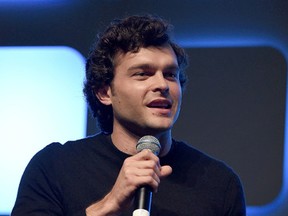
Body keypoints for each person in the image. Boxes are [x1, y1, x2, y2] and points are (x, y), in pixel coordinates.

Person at [12, 14, 246, 216]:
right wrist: (108, 205)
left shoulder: (219, 182)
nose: (162, 85)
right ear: (105, 92)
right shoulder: (54, 167)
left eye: (170, 74)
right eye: (143, 74)